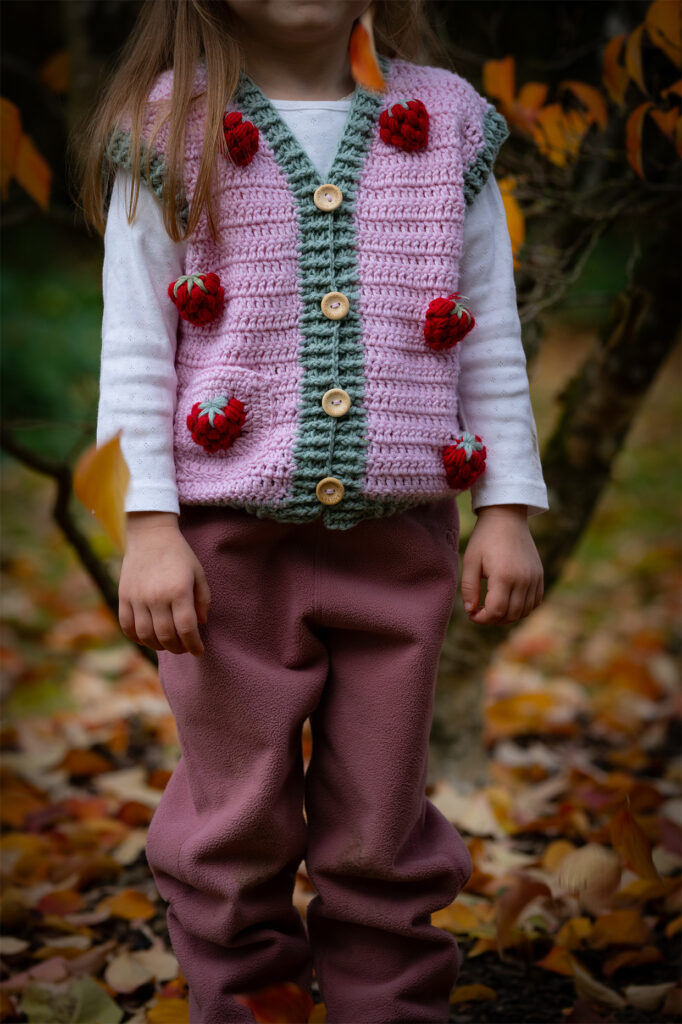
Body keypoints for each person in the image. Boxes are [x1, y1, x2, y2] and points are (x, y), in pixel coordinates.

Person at [75, 1, 549, 1021]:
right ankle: (247, 1005)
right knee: (231, 818)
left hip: (403, 539)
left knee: (381, 815)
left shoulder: (449, 122)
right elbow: (134, 348)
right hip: (222, 547)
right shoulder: (166, 132)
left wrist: (506, 503)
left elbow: (489, 329)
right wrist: (149, 526)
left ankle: (390, 1007)